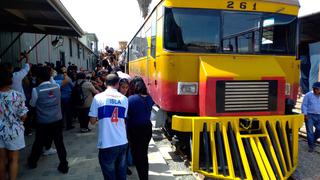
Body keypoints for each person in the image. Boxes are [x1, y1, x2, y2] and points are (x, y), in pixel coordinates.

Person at [27, 66, 69, 173]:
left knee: (39, 142)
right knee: (59, 143)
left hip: (43, 122)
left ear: (39, 78)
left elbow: (32, 104)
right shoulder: (56, 87)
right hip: (57, 120)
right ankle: (64, 165)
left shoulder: (36, 90)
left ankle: (32, 162)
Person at [89, 74, 129, 180]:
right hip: (122, 141)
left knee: (109, 175)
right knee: (121, 173)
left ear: (105, 83)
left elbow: (92, 121)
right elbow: (123, 120)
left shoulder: (98, 98)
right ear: (117, 84)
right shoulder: (124, 99)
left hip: (107, 143)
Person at [0, 71, 28, 180]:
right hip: (13, 131)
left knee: (1, 160)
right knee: (14, 159)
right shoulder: (17, 95)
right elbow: (23, 116)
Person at [127, 80, 154, 180]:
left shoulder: (131, 99)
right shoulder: (150, 98)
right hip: (147, 128)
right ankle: (144, 175)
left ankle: (143, 176)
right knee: (143, 153)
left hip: (135, 130)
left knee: (138, 155)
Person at [301, 82, 320, 152]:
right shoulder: (308, 95)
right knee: (310, 132)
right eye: (318, 89)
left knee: (319, 130)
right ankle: (311, 146)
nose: (318, 91)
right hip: (310, 115)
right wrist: (305, 114)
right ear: (315, 89)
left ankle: (313, 139)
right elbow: (304, 105)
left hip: (319, 115)